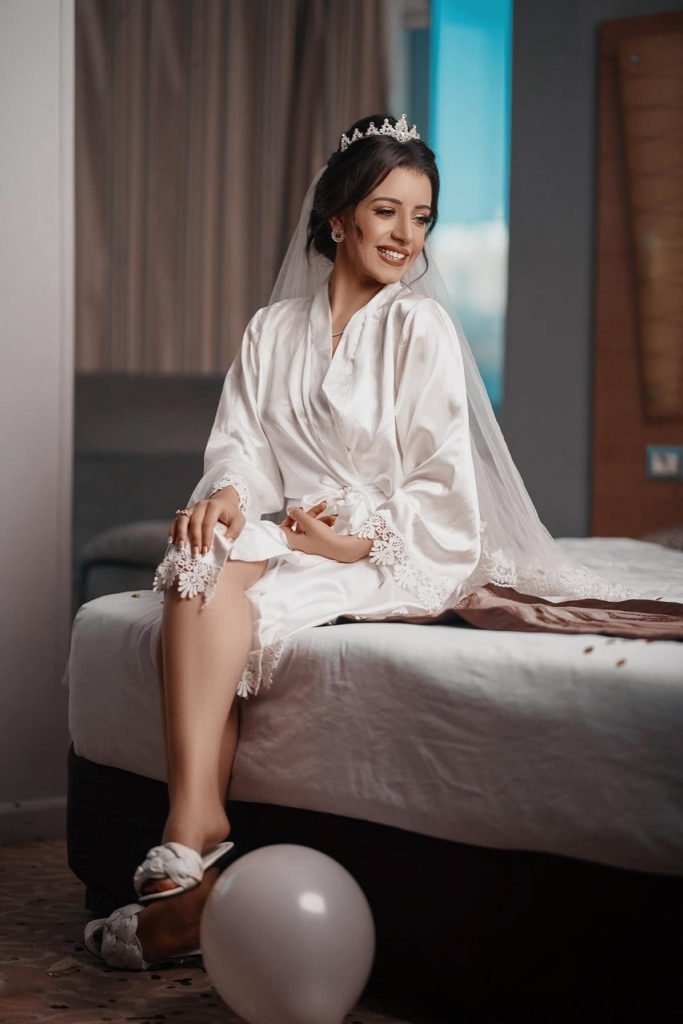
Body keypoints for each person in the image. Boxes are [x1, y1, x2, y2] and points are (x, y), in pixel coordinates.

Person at [83, 114, 681, 971]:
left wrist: (349, 544)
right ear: (338, 218)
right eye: (386, 211)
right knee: (193, 560)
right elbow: (244, 448)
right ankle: (199, 830)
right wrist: (221, 497)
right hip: (283, 527)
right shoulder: (270, 330)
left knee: (226, 596)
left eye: (423, 216)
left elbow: (442, 487)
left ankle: (186, 847)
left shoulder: (420, 330)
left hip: (377, 544)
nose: (407, 236)